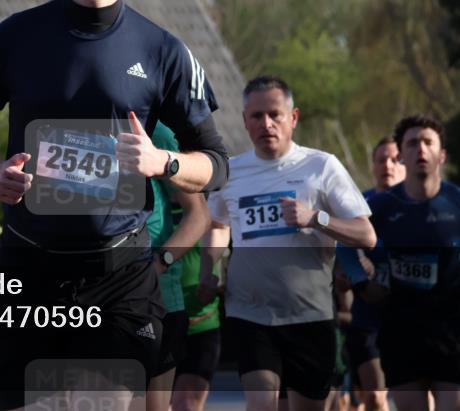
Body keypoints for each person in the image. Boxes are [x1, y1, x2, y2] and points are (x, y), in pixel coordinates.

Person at [0, 0, 230, 411]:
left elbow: (216, 165)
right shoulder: (13, 38)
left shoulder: (163, 50)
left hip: (119, 279)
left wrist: (161, 162)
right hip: (27, 272)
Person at [208, 75, 376, 411]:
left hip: (309, 314)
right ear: (244, 121)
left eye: (275, 115)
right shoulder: (231, 172)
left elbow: (367, 235)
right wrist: (208, 268)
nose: (266, 124)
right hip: (250, 312)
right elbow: (217, 224)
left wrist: (316, 218)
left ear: (293, 118)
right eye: (256, 116)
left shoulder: (321, 166)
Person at [361, 114, 460, 411]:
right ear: (401, 155)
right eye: (412, 143)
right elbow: (346, 241)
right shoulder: (381, 206)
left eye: (428, 142)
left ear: (442, 155)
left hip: (450, 326)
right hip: (400, 327)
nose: (421, 149)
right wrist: (359, 279)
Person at [145, 123, 211, 411]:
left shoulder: (154, 129)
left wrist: (159, 264)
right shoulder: (64, 120)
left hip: (157, 301)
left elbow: (199, 215)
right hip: (90, 300)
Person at [338, 137, 406, 411]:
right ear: (373, 165)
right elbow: (341, 256)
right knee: (376, 397)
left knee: (414, 398)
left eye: (395, 159)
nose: (388, 166)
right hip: (368, 318)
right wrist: (352, 276)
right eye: (381, 160)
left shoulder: (420, 206)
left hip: (410, 318)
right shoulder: (357, 206)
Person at [170, 217, 230, 411]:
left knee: (187, 404)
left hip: (201, 324)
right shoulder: (150, 208)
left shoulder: (208, 210)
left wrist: (216, 277)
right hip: (157, 326)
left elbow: (222, 235)